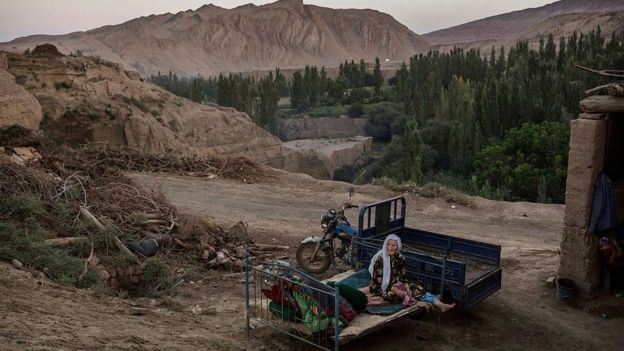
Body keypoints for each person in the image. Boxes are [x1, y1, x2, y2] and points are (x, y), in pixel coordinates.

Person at [368, 234, 455, 312]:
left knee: (417, 288)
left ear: (398, 246)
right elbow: (379, 278)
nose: (390, 248)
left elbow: (403, 274)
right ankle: (417, 302)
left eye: (393, 245)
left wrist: (406, 285)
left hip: (397, 283)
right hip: (381, 286)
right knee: (392, 295)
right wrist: (395, 289)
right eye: (388, 244)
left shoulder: (400, 258)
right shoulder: (380, 259)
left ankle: (440, 304)